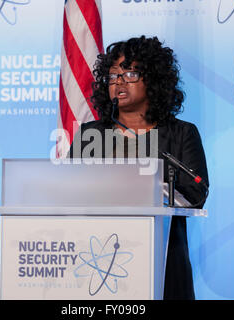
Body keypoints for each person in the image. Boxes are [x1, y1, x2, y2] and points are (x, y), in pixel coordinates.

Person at [67, 35, 209, 300]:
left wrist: (152, 186)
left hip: (163, 261)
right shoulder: (90, 134)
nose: (119, 82)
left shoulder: (180, 134)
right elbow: (67, 190)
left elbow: (196, 193)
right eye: (112, 76)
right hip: (98, 260)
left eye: (130, 74)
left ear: (153, 80)